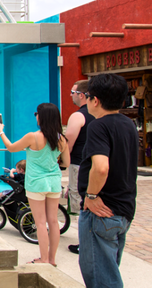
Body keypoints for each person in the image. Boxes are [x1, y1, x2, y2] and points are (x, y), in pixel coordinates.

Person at [78, 73, 138, 288]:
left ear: (95, 100)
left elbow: (101, 167)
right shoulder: (128, 124)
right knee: (109, 271)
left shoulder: (99, 126)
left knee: (101, 278)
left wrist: (92, 196)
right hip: (123, 209)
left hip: (102, 211)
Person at [0, 103, 69, 266]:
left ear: (41, 117)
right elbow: (67, 163)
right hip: (54, 182)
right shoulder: (61, 139)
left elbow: (11, 148)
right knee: (53, 221)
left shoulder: (33, 136)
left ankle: (43, 259)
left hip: (36, 183)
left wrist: (1, 130)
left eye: (37, 113)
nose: (35, 116)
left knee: (40, 222)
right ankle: (52, 259)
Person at [65, 79, 95, 255]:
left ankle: (84, 243)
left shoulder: (78, 116)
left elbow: (68, 144)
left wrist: (61, 162)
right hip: (95, 163)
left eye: (72, 92)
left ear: (82, 95)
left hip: (79, 164)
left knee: (80, 203)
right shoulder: (98, 114)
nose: (70, 95)